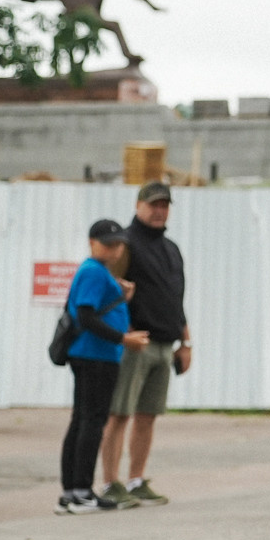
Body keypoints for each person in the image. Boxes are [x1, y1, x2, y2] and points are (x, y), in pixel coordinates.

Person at [98, 180, 189, 508]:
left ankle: (136, 480)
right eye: (153, 204)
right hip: (136, 343)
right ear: (138, 205)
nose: (159, 211)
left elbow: (177, 298)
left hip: (165, 343)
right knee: (119, 413)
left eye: (164, 205)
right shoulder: (125, 244)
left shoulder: (171, 249)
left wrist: (186, 340)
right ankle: (110, 482)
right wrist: (126, 333)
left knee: (147, 415)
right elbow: (109, 293)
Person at [60, 221, 143, 514]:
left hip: (92, 355)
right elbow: (86, 316)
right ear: (92, 242)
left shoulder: (96, 271)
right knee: (92, 422)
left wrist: (121, 297)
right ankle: (82, 491)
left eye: (118, 243)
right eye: (108, 243)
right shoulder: (94, 271)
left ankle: (72, 491)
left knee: (82, 419)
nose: (115, 249)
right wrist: (123, 338)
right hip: (97, 356)